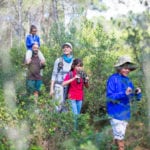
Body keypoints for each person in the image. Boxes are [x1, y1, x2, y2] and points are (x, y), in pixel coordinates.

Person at [106, 56, 142, 150]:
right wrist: (123, 93)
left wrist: (137, 94)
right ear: (119, 68)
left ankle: (112, 147)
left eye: (128, 68)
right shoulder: (113, 79)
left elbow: (132, 97)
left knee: (118, 137)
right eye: (125, 68)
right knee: (121, 139)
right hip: (115, 113)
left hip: (125, 113)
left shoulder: (128, 81)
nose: (127, 70)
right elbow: (110, 97)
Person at [62, 58, 89, 129]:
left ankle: (75, 130)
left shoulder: (83, 74)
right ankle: (74, 132)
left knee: (78, 116)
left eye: (81, 66)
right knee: (75, 115)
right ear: (74, 66)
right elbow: (63, 83)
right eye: (78, 66)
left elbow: (87, 87)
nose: (79, 67)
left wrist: (86, 80)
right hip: (72, 97)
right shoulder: (70, 73)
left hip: (80, 97)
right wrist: (74, 78)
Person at [50, 42, 74, 112]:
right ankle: (55, 121)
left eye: (67, 47)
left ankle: (63, 122)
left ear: (71, 49)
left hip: (69, 87)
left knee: (66, 107)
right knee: (57, 106)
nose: (65, 48)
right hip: (59, 86)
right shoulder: (58, 60)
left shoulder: (73, 61)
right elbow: (54, 74)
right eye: (64, 47)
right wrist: (51, 89)